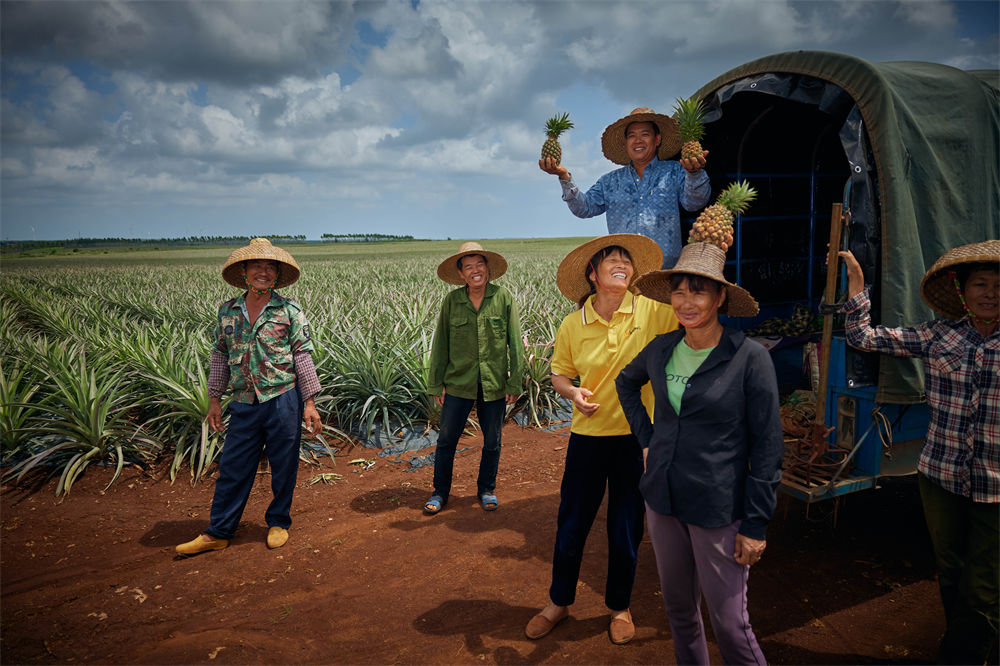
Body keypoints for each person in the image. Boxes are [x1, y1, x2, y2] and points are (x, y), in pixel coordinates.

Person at [615, 241, 783, 665]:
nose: (686, 303)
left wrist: (757, 524)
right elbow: (625, 383)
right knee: (679, 612)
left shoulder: (749, 358)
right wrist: (648, 439)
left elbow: (767, 445)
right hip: (663, 499)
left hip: (717, 506)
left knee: (730, 624)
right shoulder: (663, 348)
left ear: (720, 297)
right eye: (679, 292)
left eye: (699, 291)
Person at [838, 241, 999, 665]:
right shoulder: (938, 334)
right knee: (951, 573)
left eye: (999, 285)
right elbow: (863, 337)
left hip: (997, 485)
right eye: (980, 284)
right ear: (962, 292)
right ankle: (976, 646)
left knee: (985, 585)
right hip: (941, 477)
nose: (990, 293)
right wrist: (857, 283)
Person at [525, 234, 678, 646]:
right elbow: (559, 372)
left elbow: (690, 310)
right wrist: (571, 392)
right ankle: (559, 602)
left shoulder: (653, 311)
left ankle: (619, 607)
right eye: (611, 258)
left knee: (625, 528)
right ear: (592, 275)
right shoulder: (573, 324)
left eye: (626, 259)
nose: (621, 263)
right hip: (588, 437)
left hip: (635, 438)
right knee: (572, 523)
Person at [176, 238, 322, 555]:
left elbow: (303, 355)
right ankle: (219, 531)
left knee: (284, 465)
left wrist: (309, 403)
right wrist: (214, 398)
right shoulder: (227, 312)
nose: (263, 272)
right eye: (257, 266)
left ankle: (278, 522)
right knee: (233, 466)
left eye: (270, 267)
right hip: (243, 399)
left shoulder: (289, 311)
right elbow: (219, 354)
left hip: (282, 397)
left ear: (277, 275)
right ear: (244, 272)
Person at [539, 107, 710, 269]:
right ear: (626, 142)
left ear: (657, 139)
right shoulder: (610, 181)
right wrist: (564, 176)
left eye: (645, 134)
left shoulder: (676, 171)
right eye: (632, 135)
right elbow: (584, 208)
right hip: (624, 274)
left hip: (664, 273)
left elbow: (694, 203)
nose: (638, 140)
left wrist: (694, 174)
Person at [424, 242, 525, 514]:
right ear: (461, 274)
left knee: (492, 440)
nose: (475, 270)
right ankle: (440, 492)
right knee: (447, 440)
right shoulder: (452, 301)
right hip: (458, 382)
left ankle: (486, 489)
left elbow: (515, 342)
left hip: (493, 383)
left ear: (488, 269)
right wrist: (437, 382)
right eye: (468, 266)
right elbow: (441, 343)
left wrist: (515, 381)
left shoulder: (503, 298)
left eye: (479, 264)